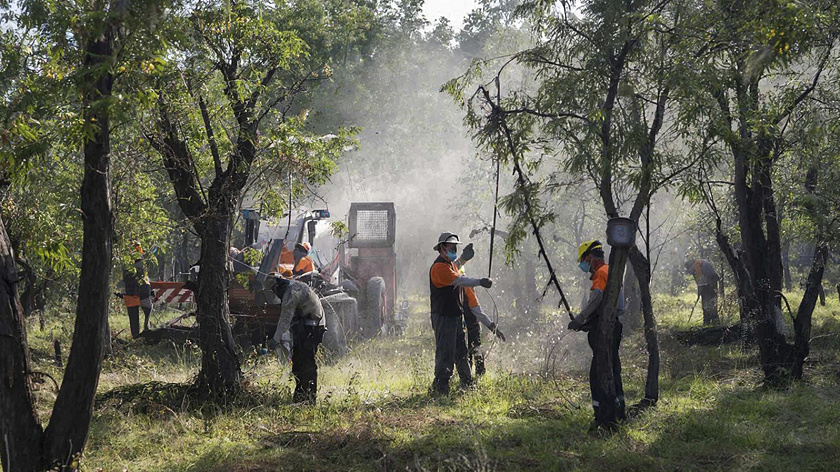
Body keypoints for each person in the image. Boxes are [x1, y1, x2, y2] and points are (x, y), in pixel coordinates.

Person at [567, 240, 625, 425]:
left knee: (598, 373)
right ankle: (619, 412)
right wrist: (589, 323)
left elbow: (598, 296)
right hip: (613, 326)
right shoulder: (610, 271)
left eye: (583, 260)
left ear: (590, 257)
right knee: (613, 368)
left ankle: (602, 417)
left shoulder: (600, 273)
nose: (583, 265)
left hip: (605, 331)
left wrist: (580, 318)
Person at [429, 232, 492, 395]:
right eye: (452, 247)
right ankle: (440, 387)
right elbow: (459, 280)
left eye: (456, 247)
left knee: (461, 352)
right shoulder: (439, 268)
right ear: (442, 248)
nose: (454, 249)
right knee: (445, 352)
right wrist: (480, 281)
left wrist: (464, 258)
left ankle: (467, 382)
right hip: (443, 316)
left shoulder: (449, 264)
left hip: (455, 316)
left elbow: (457, 266)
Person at [268, 272, 326, 404]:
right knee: (298, 364)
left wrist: (275, 340)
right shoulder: (295, 286)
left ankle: (309, 400)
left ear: (277, 286)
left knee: (306, 364)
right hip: (308, 327)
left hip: (312, 329)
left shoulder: (291, 293)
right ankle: (300, 397)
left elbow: (285, 319)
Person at [116, 244, 153, 338]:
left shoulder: (127, 264)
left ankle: (139, 334)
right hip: (140, 292)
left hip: (133, 292)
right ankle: (145, 332)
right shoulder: (142, 264)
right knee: (146, 312)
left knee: (135, 317)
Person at [685, 258, 720, 325]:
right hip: (711, 282)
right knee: (711, 302)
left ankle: (709, 321)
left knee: (707, 303)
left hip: (710, 283)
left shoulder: (697, 265)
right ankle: (713, 321)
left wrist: (700, 292)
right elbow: (699, 281)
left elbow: (701, 282)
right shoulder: (699, 262)